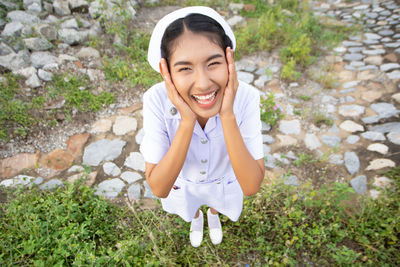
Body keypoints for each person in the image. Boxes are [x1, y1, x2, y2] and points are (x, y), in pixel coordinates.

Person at [140, 6, 265, 247]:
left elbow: (250, 185)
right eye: (185, 68)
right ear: (166, 71)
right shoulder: (155, 99)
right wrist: (187, 121)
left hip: (223, 181)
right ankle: (196, 218)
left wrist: (227, 114)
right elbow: (159, 186)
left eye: (213, 63)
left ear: (230, 60)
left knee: (218, 201)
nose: (203, 83)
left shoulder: (247, 97)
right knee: (190, 205)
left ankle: (214, 214)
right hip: (185, 184)